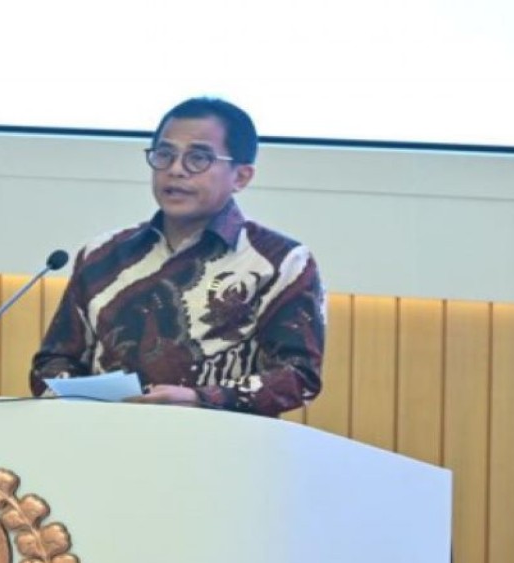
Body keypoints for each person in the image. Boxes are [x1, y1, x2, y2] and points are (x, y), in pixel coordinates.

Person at [29, 97, 326, 417]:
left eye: (198, 158)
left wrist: (201, 398)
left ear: (241, 177)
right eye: (164, 155)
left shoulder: (280, 262)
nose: (175, 170)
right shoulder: (103, 254)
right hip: (106, 439)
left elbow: (297, 377)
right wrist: (73, 397)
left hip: (222, 447)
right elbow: (53, 361)